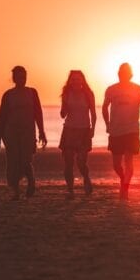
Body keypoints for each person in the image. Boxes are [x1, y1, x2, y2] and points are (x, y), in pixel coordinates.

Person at [102, 63, 140, 199]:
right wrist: (107, 124)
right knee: (116, 165)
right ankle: (123, 179)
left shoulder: (138, 89)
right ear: (118, 74)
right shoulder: (111, 89)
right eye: (121, 72)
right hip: (116, 130)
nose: (123, 74)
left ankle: (125, 187)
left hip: (132, 130)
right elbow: (105, 107)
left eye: (126, 72)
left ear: (130, 74)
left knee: (129, 161)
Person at [0, 66, 47, 200]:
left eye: (23, 77)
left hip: (27, 132)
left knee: (26, 160)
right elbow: (2, 116)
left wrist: (42, 131)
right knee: (13, 162)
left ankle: (31, 181)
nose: (21, 80)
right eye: (18, 77)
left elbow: (38, 113)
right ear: (13, 79)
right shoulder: (8, 95)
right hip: (11, 132)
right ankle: (16, 191)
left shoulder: (32, 93)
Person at [59, 70, 96, 199]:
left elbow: (93, 113)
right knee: (68, 162)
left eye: (78, 79)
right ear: (70, 81)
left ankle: (86, 178)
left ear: (82, 81)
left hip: (84, 130)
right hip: (69, 130)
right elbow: (63, 114)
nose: (76, 81)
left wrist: (93, 129)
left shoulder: (88, 94)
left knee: (81, 161)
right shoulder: (66, 93)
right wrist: (64, 106)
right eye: (73, 79)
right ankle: (70, 190)